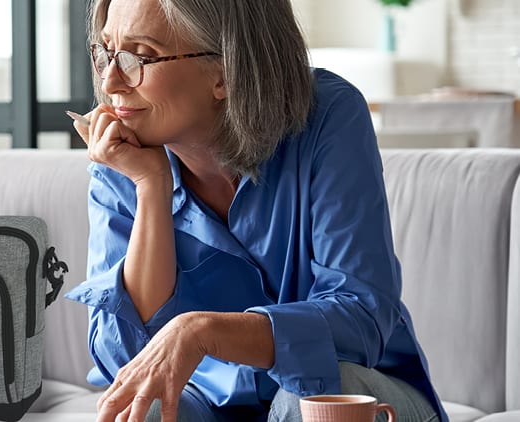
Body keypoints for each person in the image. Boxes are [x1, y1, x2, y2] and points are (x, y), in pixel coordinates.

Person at [61, 0, 447, 421]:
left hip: (356, 384)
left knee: (308, 404)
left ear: (226, 71)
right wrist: (151, 188)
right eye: (106, 52)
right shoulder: (122, 159)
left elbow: (360, 317)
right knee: (146, 411)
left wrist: (203, 333)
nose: (112, 80)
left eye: (141, 56)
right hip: (210, 401)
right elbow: (124, 361)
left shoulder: (328, 117)